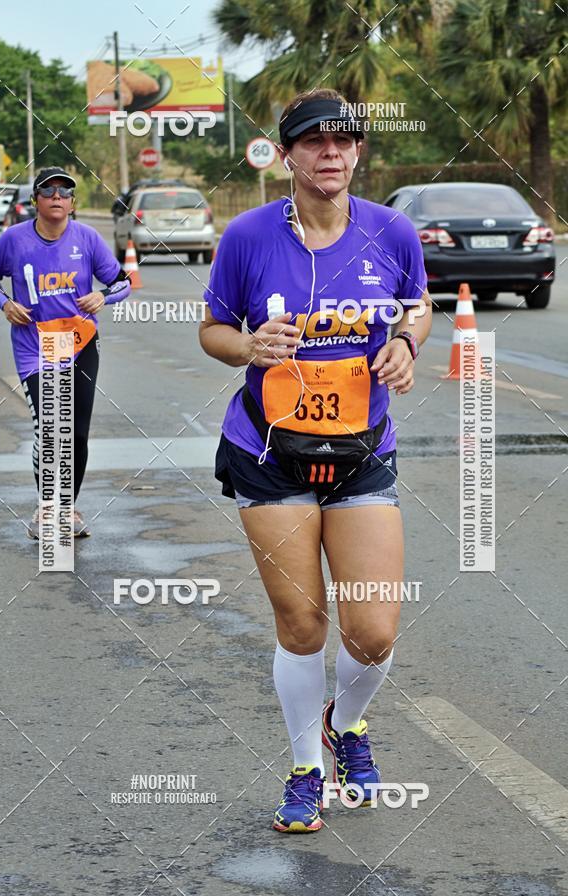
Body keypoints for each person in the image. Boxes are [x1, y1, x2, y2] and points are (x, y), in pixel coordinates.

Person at [199, 89, 432, 833]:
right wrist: (248, 346)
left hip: (363, 455)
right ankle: (305, 769)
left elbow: (416, 305)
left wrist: (406, 342)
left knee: (373, 633)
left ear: (358, 151)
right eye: (314, 141)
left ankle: (349, 724)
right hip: (270, 455)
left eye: (344, 141)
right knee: (302, 624)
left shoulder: (393, 232)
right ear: (288, 152)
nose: (330, 153)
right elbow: (212, 328)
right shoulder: (248, 235)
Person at [0, 166, 131, 539]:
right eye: (49, 192)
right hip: (35, 347)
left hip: (79, 346)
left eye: (65, 192)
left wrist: (103, 296)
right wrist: (4, 304)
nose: (57, 198)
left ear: (73, 203)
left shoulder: (88, 239)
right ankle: (47, 506)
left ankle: (68, 508)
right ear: (36, 201)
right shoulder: (14, 240)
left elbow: (122, 283)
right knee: (50, 431)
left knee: (76, 434)